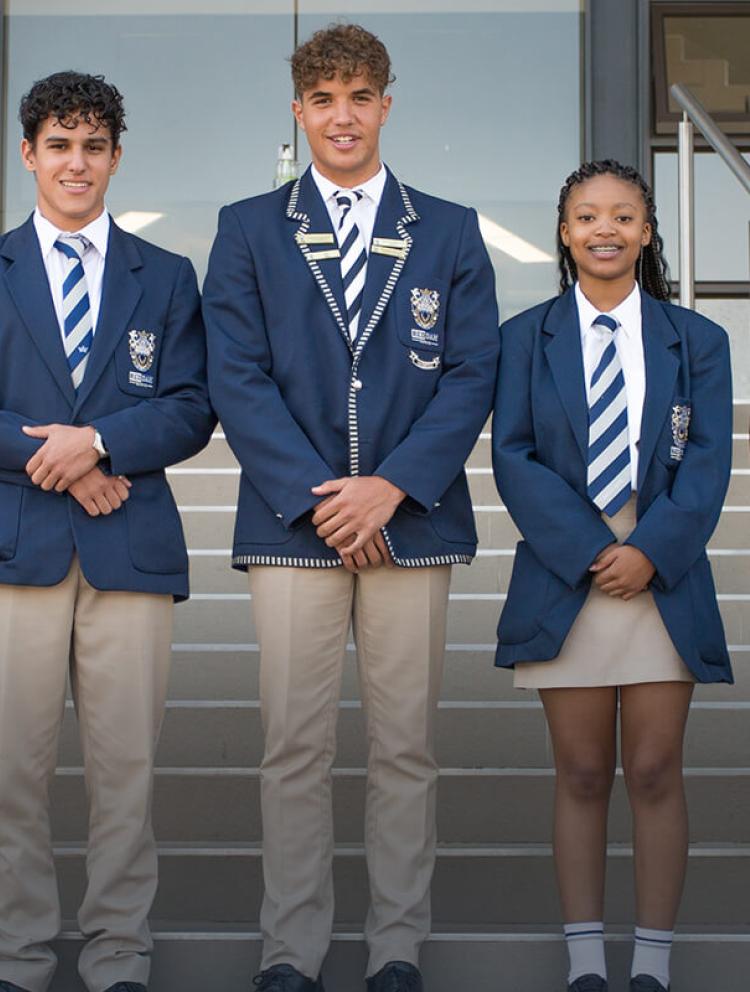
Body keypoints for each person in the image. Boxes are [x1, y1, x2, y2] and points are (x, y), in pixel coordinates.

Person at [203, 23, 499, 992]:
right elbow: (236, 377)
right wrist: (326, 498)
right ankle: (291, 948)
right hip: (295, 526)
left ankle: (397, 947)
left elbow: (471, 374)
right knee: (293, 746)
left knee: (405, 747)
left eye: (360, 95)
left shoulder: (449, 228)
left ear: (387, 104)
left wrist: (391, 488)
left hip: (411, 521)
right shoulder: (249, 226)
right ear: (299, 109)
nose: (343, 114)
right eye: (323, 97)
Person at [492, 160, 732, 992]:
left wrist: (649, 551)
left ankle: (653, 964)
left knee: (658, 768)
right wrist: (593, 552)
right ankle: (587, 960)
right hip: (571, 571)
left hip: (663, 569)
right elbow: (513, 456)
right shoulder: (524, 337)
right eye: (587, 217)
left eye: (622, 217)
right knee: (584, 771)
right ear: (564, 232)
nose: (605, 230)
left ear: (646, 231)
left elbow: (707, 464)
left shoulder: (698, 339)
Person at [0, 70, 214, 992]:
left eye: (94, 147)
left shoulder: (164, 277)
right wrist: (57, 460)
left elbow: (193, 406)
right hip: (19, 548)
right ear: (28, 155)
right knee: (14, 773)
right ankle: (17, 951)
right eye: (59, 145)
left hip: (130, 550)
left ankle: (118, 952)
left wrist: (101, 445)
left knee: (125, 771)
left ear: (116, 159)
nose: (76, 163)